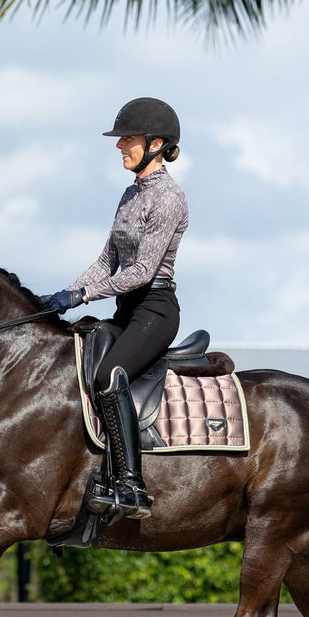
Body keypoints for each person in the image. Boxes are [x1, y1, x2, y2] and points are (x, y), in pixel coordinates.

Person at [44, 96, 188, 520]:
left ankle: (131, 484)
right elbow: (107, 261)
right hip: (128, 309)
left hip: (156, 310)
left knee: (109, 376)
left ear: (156, 143)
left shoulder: (169, 199)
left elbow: (141, 271)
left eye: (127, 138)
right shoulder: (130, 195)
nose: (120, 145)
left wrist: (85, 296)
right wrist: (61, 296)